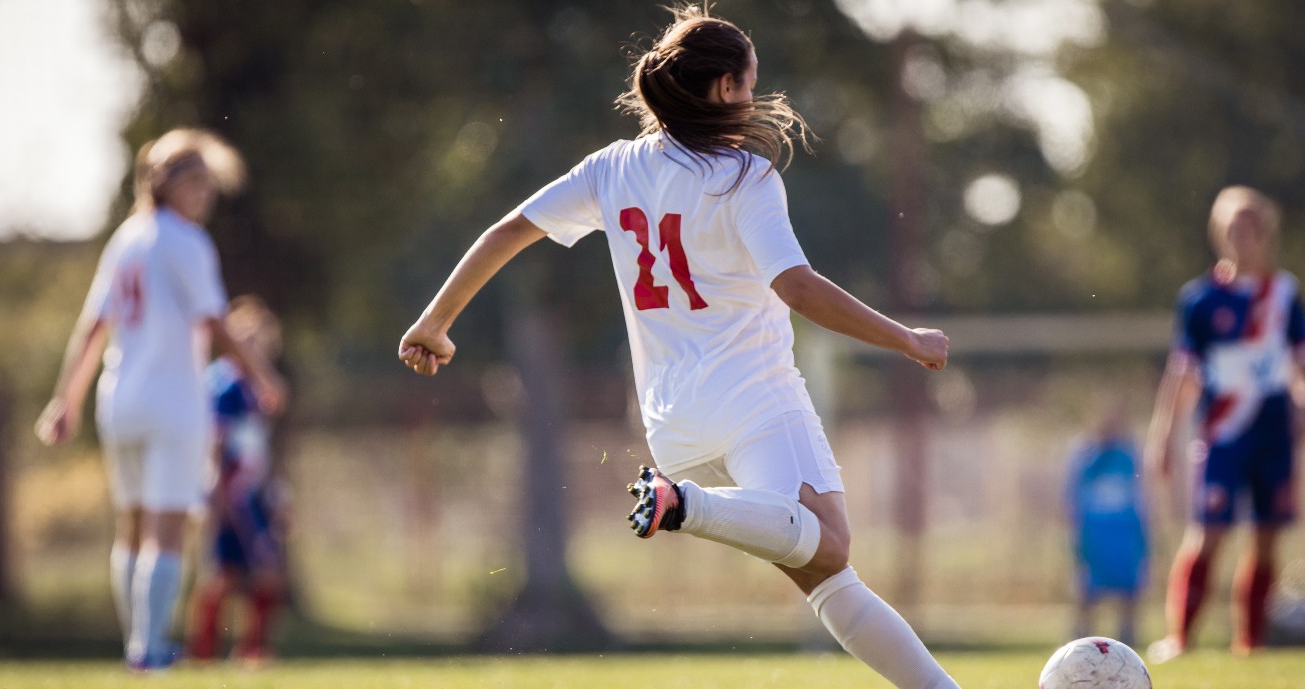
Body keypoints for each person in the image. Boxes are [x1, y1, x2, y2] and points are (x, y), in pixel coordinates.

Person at [395, 7, 959, 688]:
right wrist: (906, 339)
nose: (756, 96)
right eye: (748, 83)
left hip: (672, 421)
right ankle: (684, 504)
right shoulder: (745, 178)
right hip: (755, 401)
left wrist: (434, 321)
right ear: (722, 88)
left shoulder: (611, 168)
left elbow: (509, 230)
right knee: (831, 542)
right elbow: (799, 288)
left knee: (827, 575)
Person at [37, 128, 284, 672]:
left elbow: (92, 327)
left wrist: (66, 400)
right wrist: (264, 376)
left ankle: (137, 644)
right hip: (173, 401)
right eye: (193, 182)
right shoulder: (186, 241)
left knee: (131, 523)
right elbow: (217, 321)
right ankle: (148, 651)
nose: (204, 194)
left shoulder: (126, 239)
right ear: (161, 181)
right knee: (165, 526)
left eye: (208, 184)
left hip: (118, 398)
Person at [1144, 186, 1305, 662]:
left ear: (1265, 234)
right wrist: (1163, 434)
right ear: (1220, 235)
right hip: (1222, 436)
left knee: (1265, 539)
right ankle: (1180, 638)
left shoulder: (1283, 293)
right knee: (1208, 534)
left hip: (1273, 435)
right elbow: (1182, 373)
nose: (1243, 238)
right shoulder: (1200, 300)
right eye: (1233, 229)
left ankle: (1251, 642)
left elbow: (1302, 363)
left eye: (1252, 229)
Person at [188, 296, 289, 667]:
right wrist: (215, 491)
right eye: (247, 340)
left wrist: (276, 491)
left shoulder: (254, 388)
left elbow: (259, 445)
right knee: (226, 576)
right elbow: (216, 440)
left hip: (253, 491)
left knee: (257, 573)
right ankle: (205, 653)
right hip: (231, 493)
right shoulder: (223, 383)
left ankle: (250, 650)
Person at [1066, 401, 1148, 646]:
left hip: (1124, 533)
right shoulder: (1086, 455)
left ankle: (1128, 638)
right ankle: (1081, 637)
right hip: (1095, 533)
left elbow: (1139, 494)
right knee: (1087, 588)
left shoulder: (1128, 455)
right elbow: (1074, 494)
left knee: (1129, 589)